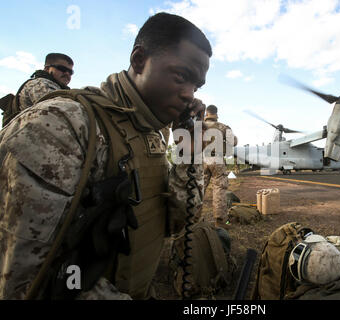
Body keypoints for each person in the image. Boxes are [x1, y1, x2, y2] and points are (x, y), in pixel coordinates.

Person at [0, 12, 211, 300]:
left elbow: (176, 221)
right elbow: (29, 283)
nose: (190, 95)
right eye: (181, 77)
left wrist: (189, 148)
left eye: (196, 86)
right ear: (139, 60)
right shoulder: (62, 125)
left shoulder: (152, 132)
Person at [1, 53, 74, 127]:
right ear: (47, 69)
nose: (67, 73)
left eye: (70, 72)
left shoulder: (57, 88)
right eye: (62, 69)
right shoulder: (40, 84)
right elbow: (61, 111)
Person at [203, 105, 238, 229]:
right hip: (217, 159)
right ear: (216, 114)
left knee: (198, 188)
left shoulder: (198, 126)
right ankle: (220, 221)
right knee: (219, 189)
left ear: (206, 113)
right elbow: (233, 142)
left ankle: (193, 218)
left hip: (201, 159)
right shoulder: (222, 127)